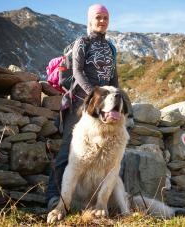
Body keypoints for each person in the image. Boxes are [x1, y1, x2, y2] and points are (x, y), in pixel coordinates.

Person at [46, 3, 133, 210]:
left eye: (105, 18)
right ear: (90, 20)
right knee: (69, 149)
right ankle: (53, 198)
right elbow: (77, 71)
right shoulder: (82, 42)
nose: (102, 21)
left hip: (106, 106)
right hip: (81, 102)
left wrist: (115, 101)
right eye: (98, 17)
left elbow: (113, 78)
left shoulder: (110, 47)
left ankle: (98, 202)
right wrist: (95, 95)